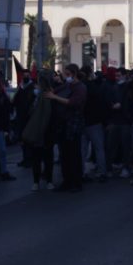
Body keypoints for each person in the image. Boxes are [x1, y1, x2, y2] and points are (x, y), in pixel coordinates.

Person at [46, 64, 86, 192]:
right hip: (63, 123)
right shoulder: (68, 85)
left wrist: (55, 97)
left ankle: (76, 182)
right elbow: (54, 91)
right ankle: (67, 181)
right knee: (64, 154)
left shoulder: (80, 87)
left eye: (67, 74)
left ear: (74, 74)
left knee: (74, 154)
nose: (65, 76)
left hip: (73, 123)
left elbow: (73, 102)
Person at [22, 70, 56, 191]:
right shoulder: (35, 96)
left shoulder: (50, 96)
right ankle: (40, 181)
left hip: (45, 132)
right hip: (38, 131)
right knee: (39, 158)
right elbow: (26, 110)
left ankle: (45, 180)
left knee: (45, 158)